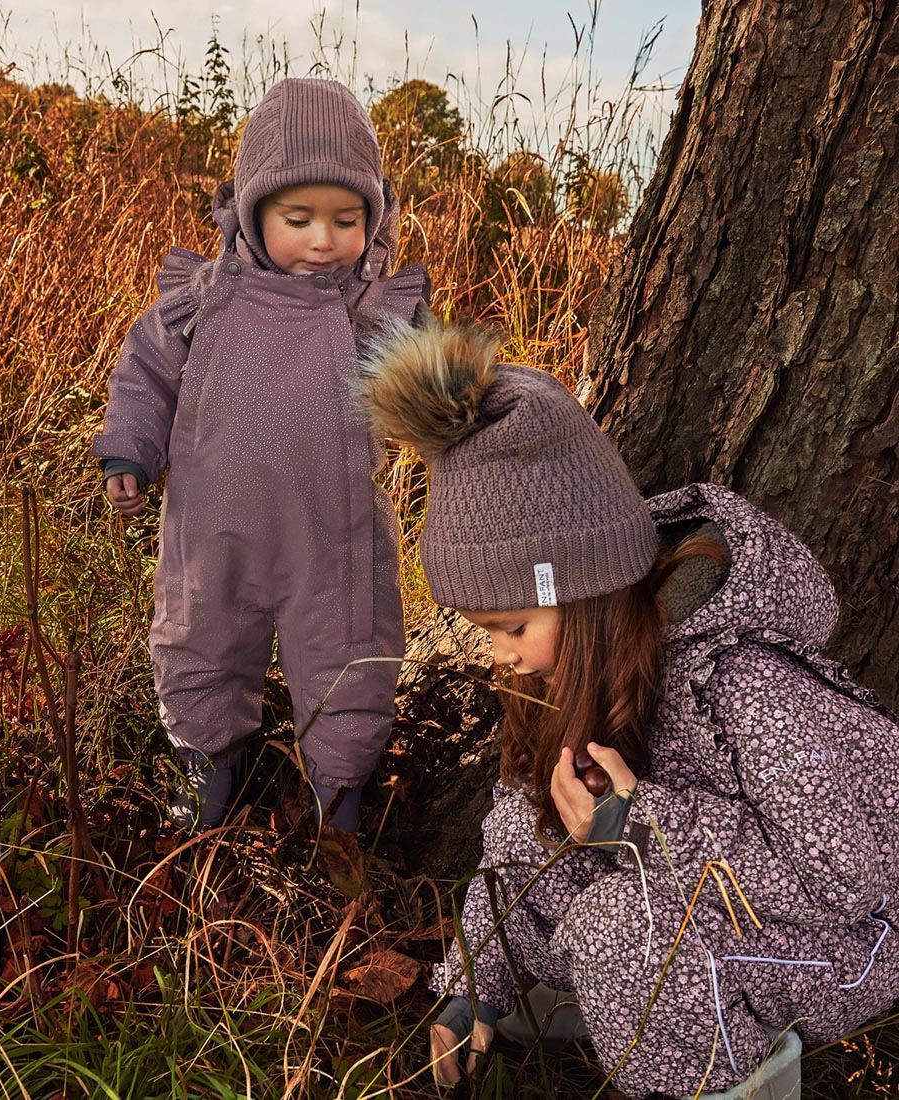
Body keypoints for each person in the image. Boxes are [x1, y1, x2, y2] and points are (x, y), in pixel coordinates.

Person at [357, 317, 899, 1099]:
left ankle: (714, 1078)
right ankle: (562, 997)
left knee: (619, 935)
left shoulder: (744, 686)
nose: (502, 654)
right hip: (705, 898)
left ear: (578, 596)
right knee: (530, 818)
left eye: (512, 628)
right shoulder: (580, 676)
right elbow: (518, 844)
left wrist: (639, 823)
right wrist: (473, 980)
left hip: (852, 936)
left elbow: (842, 878)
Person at [93, 78, 430, 832]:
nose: (323, 240)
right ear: (253, 212)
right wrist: (128, 454)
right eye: (299, 218)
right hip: (215, 533)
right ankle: (210, 766)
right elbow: (144, 374)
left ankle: (338, 795)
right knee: (200, 644)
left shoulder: (373, 311)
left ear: (373, 219)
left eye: (347, 220)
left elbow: (435, 387)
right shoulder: (204, 300)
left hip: (334, 540)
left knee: (348, 665)